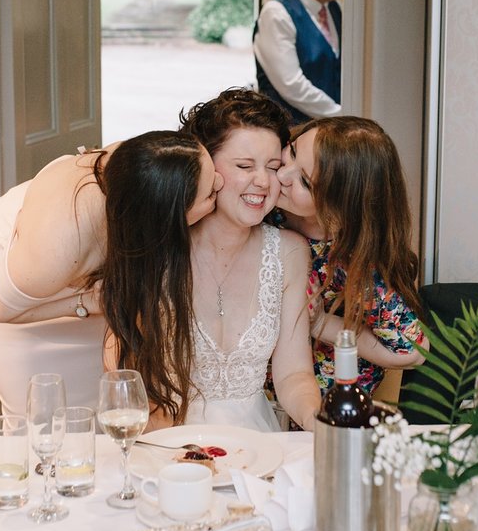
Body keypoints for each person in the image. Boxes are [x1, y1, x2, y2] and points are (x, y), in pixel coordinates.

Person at [0, 131, 221, 416]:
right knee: (42, 414)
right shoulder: (55, 248)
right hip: (18, 284)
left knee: (98, 407)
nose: (220, 182)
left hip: (82, 262)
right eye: (211, 193)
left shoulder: (150, 167)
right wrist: (90, 302)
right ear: (170, 216)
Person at [107, 89, 321, 432]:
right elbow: (136, 382)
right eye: (244, 166)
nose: (263, 182)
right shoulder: (161, 248)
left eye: (273, 166)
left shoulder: (290, 252)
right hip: (168, 437)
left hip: (257, 441)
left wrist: (322, 423)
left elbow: (293, 374)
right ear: (206, 166)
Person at [274, 116, 425, 398]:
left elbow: (411, 351)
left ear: (340, 207)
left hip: (324, 408)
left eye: (305, 182)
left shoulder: (353, 261)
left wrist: (321, 324)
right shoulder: (270, 211)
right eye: (292, 151)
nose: (283, 175)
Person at [253, 0, 343, 125]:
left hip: (331, 134)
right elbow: (292, 85)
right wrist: (342, 115)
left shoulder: (335, 10)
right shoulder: (277, 13)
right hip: (293, 134)